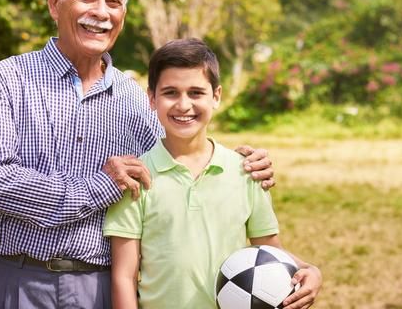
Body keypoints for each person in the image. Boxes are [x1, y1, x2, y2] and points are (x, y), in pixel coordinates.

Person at [0, 0, 275, 309]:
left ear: (123, 16)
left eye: (113, 2)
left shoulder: (133, 97)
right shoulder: (7, 79)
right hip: (19, 282)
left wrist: (243, 163)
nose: (101, 12)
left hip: (101, 287)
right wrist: (99, 187)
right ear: (55, 4)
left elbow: (174, 159)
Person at [104, 38, 322, 309]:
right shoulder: (137, 178)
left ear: (216, 96)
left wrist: (311, 270)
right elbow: (124, 276)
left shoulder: (245, 172)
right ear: (152, 98)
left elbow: (270, 251)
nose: (183, 105)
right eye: (171, 92)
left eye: (196, 93)